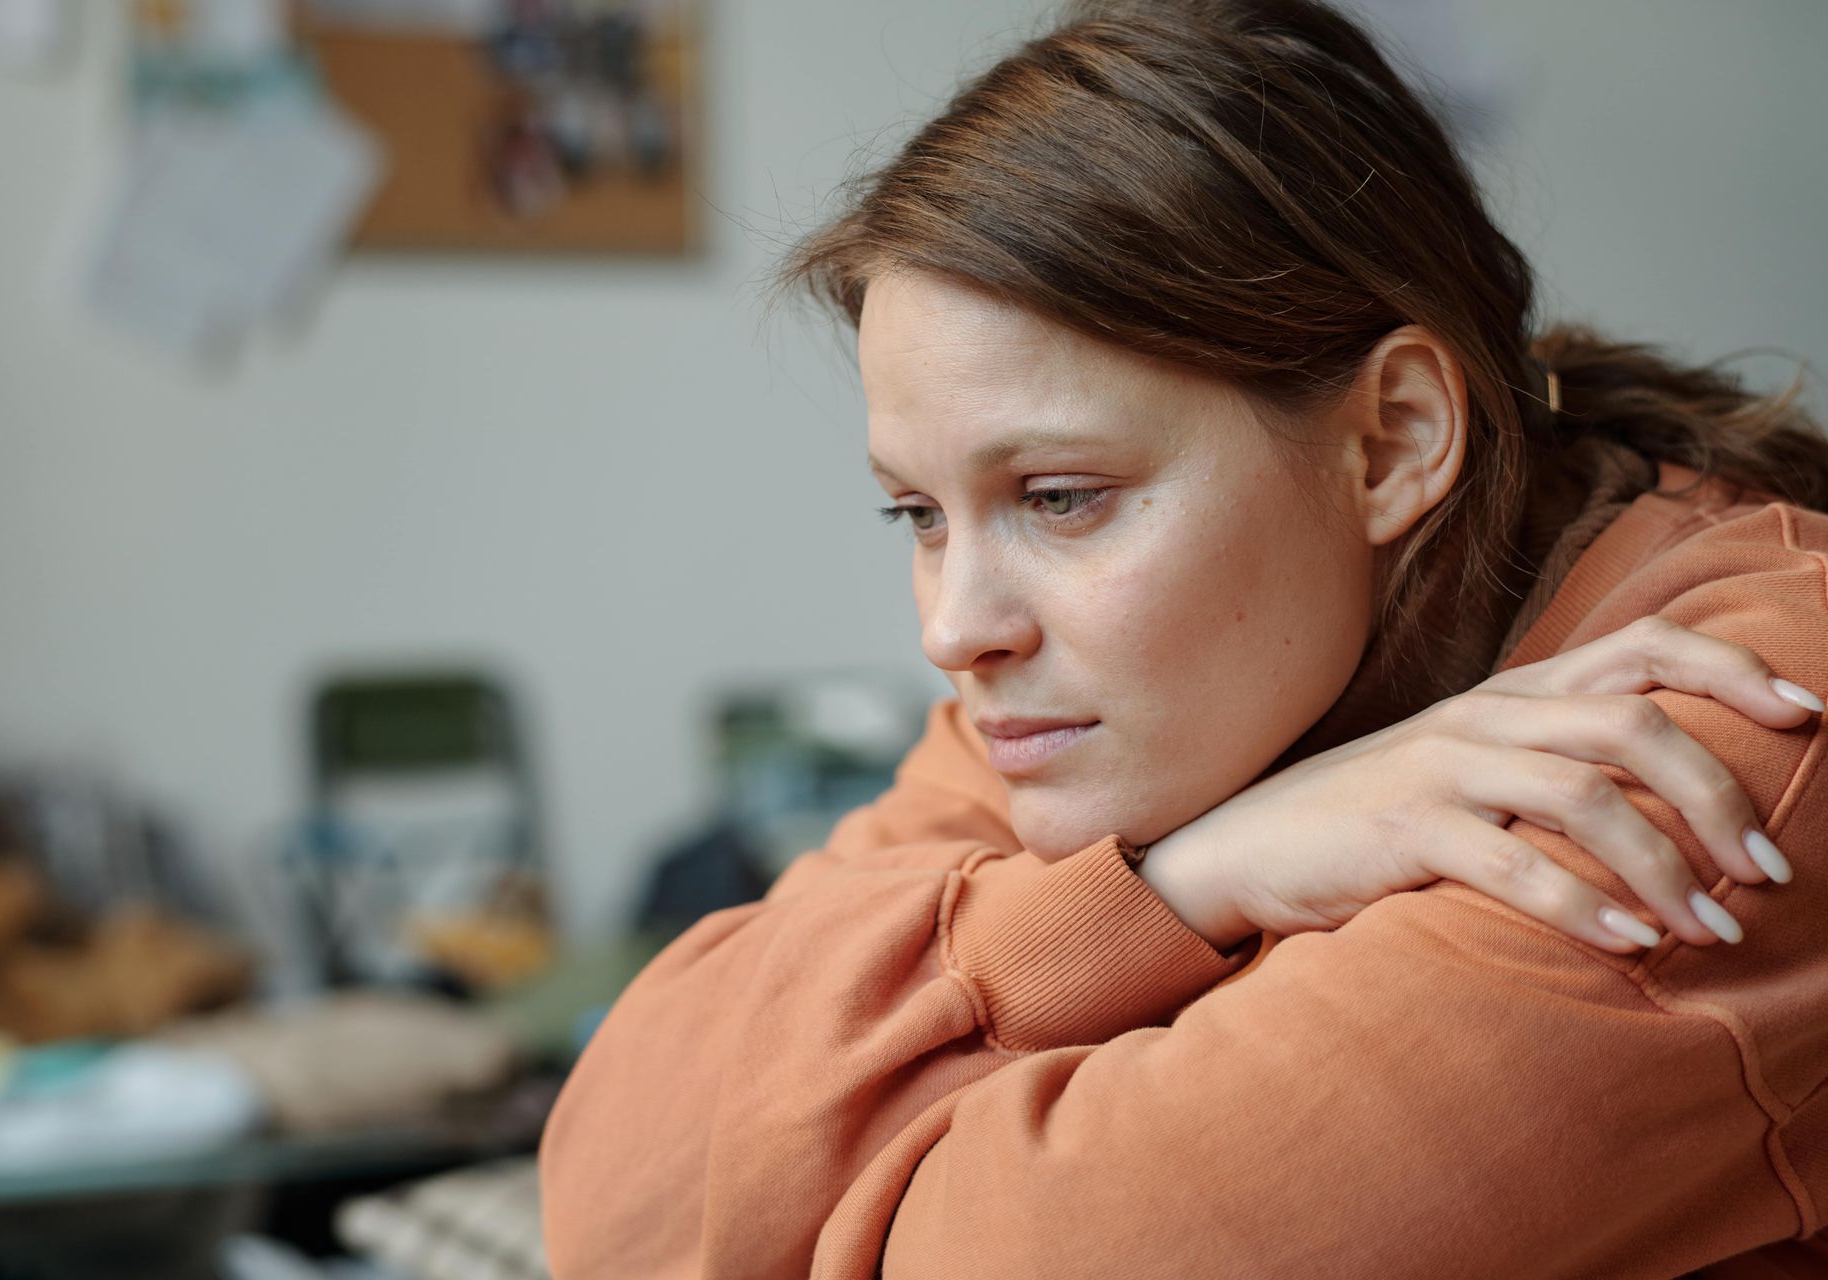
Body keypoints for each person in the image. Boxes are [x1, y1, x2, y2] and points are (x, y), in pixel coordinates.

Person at [538, 1, 1828, 1275]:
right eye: (918, 513)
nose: (953, 630)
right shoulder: (1086, 703)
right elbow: (614, 1194)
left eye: (1060, 498)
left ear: (1391, 443)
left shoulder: (1728, 726)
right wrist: (1175, 884)